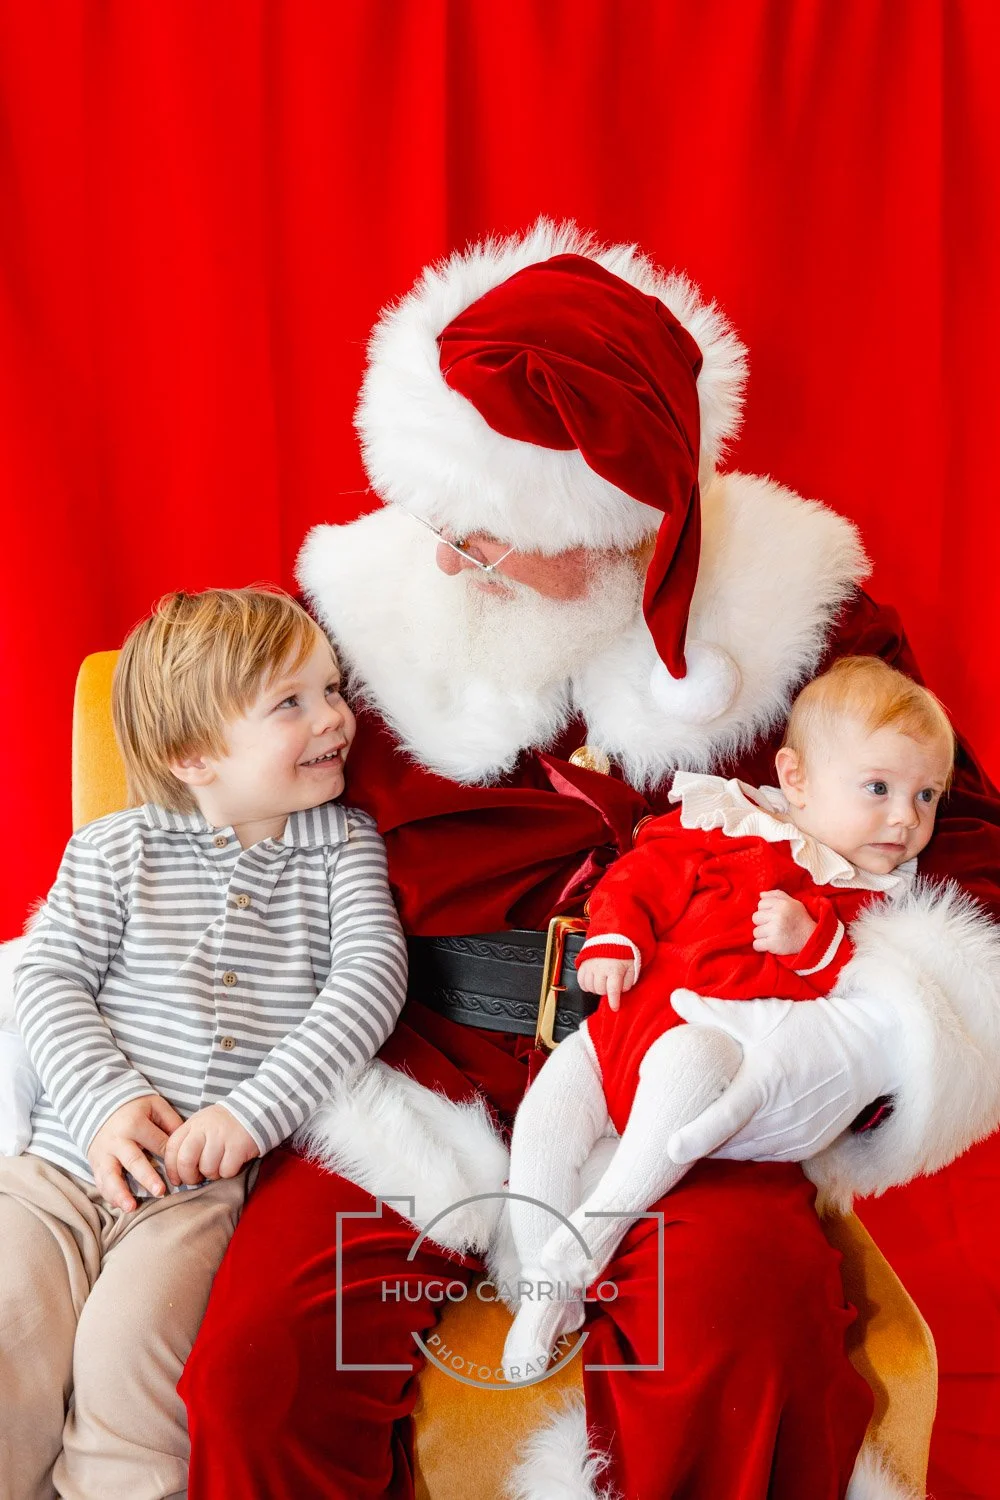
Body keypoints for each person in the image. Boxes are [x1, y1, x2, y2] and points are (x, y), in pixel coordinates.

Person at [173, 223, 1000, 1500]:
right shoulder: (362, 610)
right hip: (422, 1069)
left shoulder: (805, 619)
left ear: (621, 525)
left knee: (740, 1337)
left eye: (486, 536)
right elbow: (208, 804)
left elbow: (963, 864)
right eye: (442, 520)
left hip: (691, 1072)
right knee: (257, 1376)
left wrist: (856, 1038)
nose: (445, 557)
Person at [1, 588, 408, 1500]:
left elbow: (368, 983)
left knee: (134, 1365)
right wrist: (105, 1103)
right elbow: (46, 976)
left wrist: (252, 1113)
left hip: (195, 1188)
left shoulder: (343, 847)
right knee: (8, 1330)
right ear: (193, 756)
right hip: (59, 1168)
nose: (334, 717)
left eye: (332, 689)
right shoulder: (114, 849)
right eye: (291, 702)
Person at [502, 656, 955, 1379]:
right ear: (796, 778)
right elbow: (638, 877)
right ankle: (541, 1286)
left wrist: (814, 943)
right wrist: (617, 938)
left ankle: (591, 1236)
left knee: (689, 1062)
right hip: (616, 1035)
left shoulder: (870, 896)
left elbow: (865, 996)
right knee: (544, 1123)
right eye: (879, 788)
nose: (906, 818)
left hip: (713, 1058)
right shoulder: (726, 822)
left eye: (926, 795)